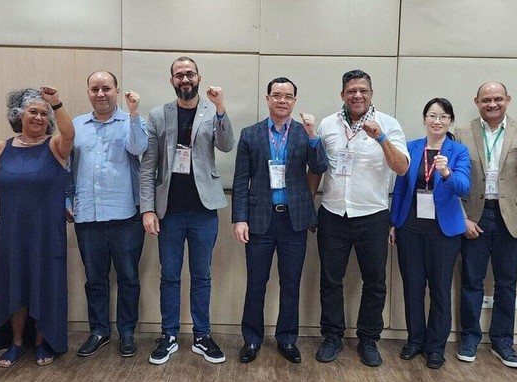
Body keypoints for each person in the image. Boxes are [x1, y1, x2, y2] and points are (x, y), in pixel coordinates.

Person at [310, 69, 410, 367]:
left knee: (375, 281)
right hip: (333, 213)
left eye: (363, 90)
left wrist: (380, 138)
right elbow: (317, 169)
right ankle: (332, 336)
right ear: (343, 94)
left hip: (372, 216)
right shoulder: (328, 124)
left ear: (371, 94)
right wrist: (307, 205)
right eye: (351, 90)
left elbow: (402, 168)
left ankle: (368, 339)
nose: (357, 95)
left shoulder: (389, 125)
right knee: (330, 280)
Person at [140, 56, 234, 365]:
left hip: (204, 209)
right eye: (179, 75)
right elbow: (148, 165)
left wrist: (221, 108)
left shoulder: (211, 110)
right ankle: (168, 335)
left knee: (201, 275)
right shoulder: (158, 115)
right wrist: (147, 210)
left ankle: (202, 336)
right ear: (172, 81)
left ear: (198, 78)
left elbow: (226, 144)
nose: (185, 79)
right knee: (169, 275)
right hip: (170, 211)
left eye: (190, 74)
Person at [232, 77, 328, 364]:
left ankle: (287, 339)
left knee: (290, 284)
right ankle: (251, 339)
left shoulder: (303, 133)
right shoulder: (250, 134)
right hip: (259, 220)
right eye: (276, 95)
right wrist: (239, 219)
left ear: (294, 101)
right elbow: (240, 181)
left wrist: (313, 136)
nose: (282, 100)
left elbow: (320, 166)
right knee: (256, 283)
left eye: (288, 96)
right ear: (267, 98)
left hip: (293, 222)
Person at [454, 82, 517, 368]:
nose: (492, 104)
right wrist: (461, 217)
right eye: (486, 99)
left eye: (498, 99)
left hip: (511, 217)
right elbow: (453, 181)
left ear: (508, 99)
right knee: (471, 281)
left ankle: (503, 342)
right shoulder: (461, 133)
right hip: (475, 215)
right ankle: (469, 338)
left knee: (507, 283)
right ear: (476, 101)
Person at [0, 86, 74, 368]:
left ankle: (42, 341)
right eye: (32, 111)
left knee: (45, 282)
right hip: (12, 231)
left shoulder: (55, 146)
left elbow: (69, 133)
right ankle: (17, 342)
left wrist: (56, 104)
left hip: (46, 232)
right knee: (15, 283)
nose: (38, 117)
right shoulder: (2, 148)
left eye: (43, 114)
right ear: (18, 114)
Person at [70, 71, 147, 358]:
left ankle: (127, 333)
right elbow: (66, 166)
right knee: (95, 278)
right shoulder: (77, 125)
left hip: (126, 215)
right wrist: (68, 199)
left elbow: (139, 148)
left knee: (128, 276)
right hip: (87, 215)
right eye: (95, 89)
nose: (100, 94)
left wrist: (135, 112)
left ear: (117, 90)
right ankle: (99, 331)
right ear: (88, 92)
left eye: (106, 88)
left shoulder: (132, 121)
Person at [389, 98, 470, 369]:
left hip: (444, 232)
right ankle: (415, 340)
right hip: (410, 227)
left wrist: (446, 172)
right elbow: (400, 187)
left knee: (439, 289)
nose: (437, 121)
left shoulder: (458, 151)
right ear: (424, 119)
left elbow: (463, 188)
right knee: (413, 287)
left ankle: (435, 347)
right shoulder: (411, 148)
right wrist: (393, 222)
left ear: (450, 122)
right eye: (432, 115)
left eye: (444, 116)